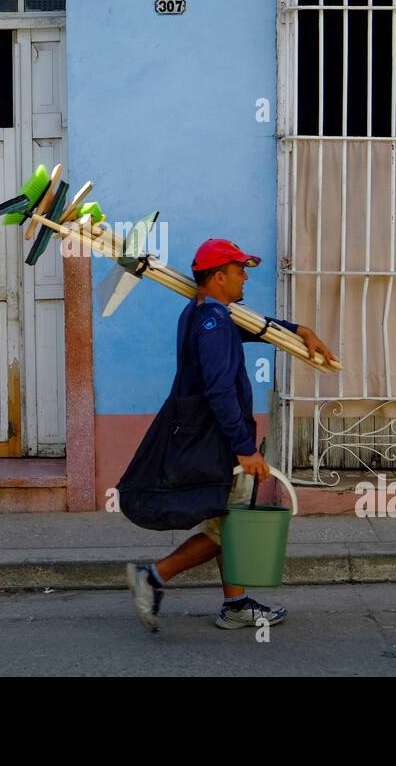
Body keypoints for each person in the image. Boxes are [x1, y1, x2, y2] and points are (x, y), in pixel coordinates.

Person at [126, 238, 334, 632]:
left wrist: (299, 330)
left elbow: (253, 329)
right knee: (230, 526)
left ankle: (235, 603)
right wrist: (243, 449)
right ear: (219, 276)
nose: (246, 277)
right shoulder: (214, 322)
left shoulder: (203, 313)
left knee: (227, 516)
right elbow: (219, 389)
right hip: (217, 438)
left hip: (208, 434)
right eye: (240, 270)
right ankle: (152, 577)